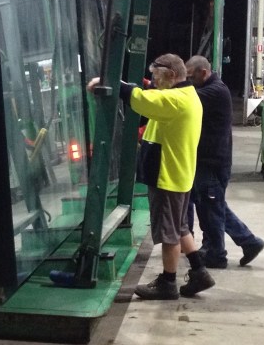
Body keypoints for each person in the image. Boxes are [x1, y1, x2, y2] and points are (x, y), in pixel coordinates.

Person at [87, 54, 214, 300]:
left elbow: (142, 100)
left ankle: (168, 283)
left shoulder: (175, 100)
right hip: (179, 174)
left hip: (168, 176)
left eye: (157, 76)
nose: (154, 81)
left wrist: (111, 82)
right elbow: (152, 94)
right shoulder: (185, 95)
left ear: (172, 75)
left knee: (169, 234)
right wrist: (141, 85)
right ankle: (199, 272)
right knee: (179, 227)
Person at [185, 55, 264, 268]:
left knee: (211, 207)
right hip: (208, 160)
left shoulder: (215, 91)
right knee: (211, 205)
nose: (190, 81)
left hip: (213, 161)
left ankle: (217, 254)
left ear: (203, 72)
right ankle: (247, 242)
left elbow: (183, 99)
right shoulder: (209, 88)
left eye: (191, 77)